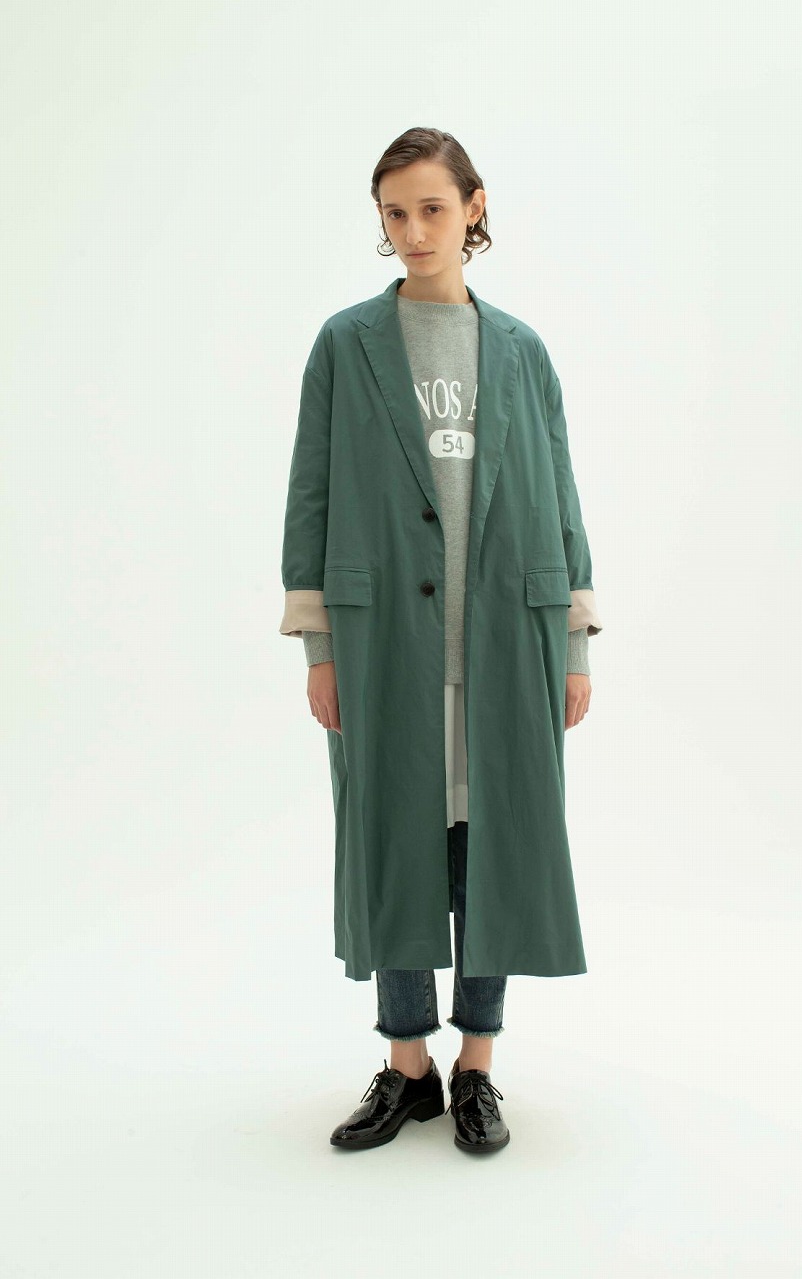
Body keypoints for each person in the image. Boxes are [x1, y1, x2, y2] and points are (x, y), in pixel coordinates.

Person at [278, 127, 603, 1154]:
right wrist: (319, 649)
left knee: (491, 852)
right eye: (394, 212)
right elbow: (312, 495)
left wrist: (575, 647)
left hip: (508, 639)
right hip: (384, 647)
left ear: (473, 207)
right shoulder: (346, 344)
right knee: (395, 845)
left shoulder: (520, 350)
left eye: (431, 207)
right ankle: (406, 1065)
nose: (414, 230)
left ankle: (477, 1067)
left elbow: (560, 497)